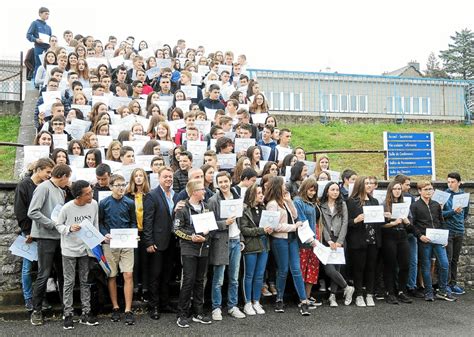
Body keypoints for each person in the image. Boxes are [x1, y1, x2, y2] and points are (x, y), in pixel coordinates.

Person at [28, 164, 72, 326]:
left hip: (60, 237)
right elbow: (32, 211)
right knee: (43, 274)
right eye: (68, 178)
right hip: (46, 237)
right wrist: (53, 224)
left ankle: (66, 309)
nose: (69, 181)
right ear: (62, 176)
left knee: (63, 274)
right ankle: (36, 311)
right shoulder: (43, 188)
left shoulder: (61, 190)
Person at [56, 180, 99, 330]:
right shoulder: (67, 208)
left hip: (85, 249)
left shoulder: (94, 204)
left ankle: (86, 312)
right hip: (69, 249)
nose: (91, 195)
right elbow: (58, 225)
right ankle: (68, 314)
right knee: (69, 282)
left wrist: (96, 243)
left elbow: (95, 225)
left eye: (91, 192)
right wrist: (69, 228)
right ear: (79, 196)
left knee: (85, 281)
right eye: (87, 193)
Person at [14, 158, 55, 312]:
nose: (50, 175)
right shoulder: (24, 185)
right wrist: (27, 232)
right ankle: (28, 298)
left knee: (42, 268)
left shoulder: (47, 186)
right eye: (47, 172)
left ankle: (40, 297)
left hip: (44, 233)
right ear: (38, 170)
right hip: (30, 234)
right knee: (27, 267)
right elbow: (20, 211)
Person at [265, 176, 310, 316]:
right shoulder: (272, 204)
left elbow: (295, 214)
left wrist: (289, 201)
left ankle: (304, 300)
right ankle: (279, 299)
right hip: (280, 240)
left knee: (296, 269)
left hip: (291, 239)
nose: (286, 187)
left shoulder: (284, 201)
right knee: (283, 270)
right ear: (278, 186)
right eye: (283, 185)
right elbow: (275, 226)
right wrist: (293, 227)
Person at [99, 174, 138, 325]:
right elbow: (100, 223)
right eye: (118, 185)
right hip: (110, 243)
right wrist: (104, 234)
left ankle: (128, 309)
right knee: (112, 275)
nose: (121, 188)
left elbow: (133, 222)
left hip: (126, 242)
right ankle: (115, 307)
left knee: (128, 274)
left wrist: (133, 234)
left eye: (123, 185)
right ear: (110, 187)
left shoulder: (129, 202)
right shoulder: (103, 203)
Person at [173, 180, 212, 328]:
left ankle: (198, 312)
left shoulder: (206, 207)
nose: (205, 191)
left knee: (200, 281)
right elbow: (176, 229)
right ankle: (182, 314)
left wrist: (206, 236)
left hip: (204, 248)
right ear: (194, 192)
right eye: (202, 189)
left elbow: (210, 226)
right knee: (188, 280)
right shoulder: (182, 208)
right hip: (188, 249)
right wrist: (191, 237)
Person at [208, 172, 246, 320]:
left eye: (226, 181)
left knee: (234, 278)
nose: (224, 184)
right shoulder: (213, 201)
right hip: (220, 242)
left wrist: (241, 238)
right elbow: (209, 223)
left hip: (236, 240)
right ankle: (216, 307)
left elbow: (240, 222)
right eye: (220, 182)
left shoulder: (237, 198)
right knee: (218, 279)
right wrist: (225, 223)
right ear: (217, 184)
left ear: (230, 181)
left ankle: (232, 306)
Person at [143, 166, 179, 319]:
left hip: (172, 240)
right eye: (165, 177)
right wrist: (149, 242)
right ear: (159, 178)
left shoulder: (175, 195)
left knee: (167, 274)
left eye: (170, 177)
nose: (168, 179)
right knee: (155, 275)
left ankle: (165, 304)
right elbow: (148, 220)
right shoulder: (152, 195)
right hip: (157, 242)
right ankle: (154, 307)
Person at [410, 180, 456, 302]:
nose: (429, 191)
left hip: (438, 239)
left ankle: (442, 291)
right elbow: (412, 225)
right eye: (426, 189)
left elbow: (442, 222)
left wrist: (445, 237)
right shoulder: (415, 206)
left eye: (430, 189)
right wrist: (420, 236)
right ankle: (428, 292)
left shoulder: (436, 204)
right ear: (419, 191)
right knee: (426, 266)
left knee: (444, 264)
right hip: (425, 240)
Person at [346, 176, 383, 307]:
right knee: (358, 269)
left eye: (370, 183)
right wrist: (356, 220)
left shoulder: (374, 201)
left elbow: (378, 222)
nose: (369, 185)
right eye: (366, 183)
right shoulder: (352, 201)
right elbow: (347, 222)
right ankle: (359, 295)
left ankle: (370, 294)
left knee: (371, 269)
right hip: (358, 240)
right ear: (360, 185)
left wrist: (384, 217)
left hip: (373, 240)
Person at [319, 182, 354, 307]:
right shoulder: (321, 205)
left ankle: (332, 296)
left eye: (337, 190)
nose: (335, 192)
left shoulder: (342, 204)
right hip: (327, 240)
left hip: (340, 239)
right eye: (332, 189)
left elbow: (345, 223)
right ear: (327, 191)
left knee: (337, 268)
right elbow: (321, 225)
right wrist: (329, 240)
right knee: (329, 269)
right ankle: (347, 288)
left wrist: (339, 241)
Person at [241, 183, 273, 315]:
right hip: (251, 246)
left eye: (262, 193)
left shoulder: (264, 208)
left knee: (259, 275)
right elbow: (244, 229)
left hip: (264, 245)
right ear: (252, 194)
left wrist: (270, 228)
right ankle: (247, 303)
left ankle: (256, 301)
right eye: (259, 193)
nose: (262, 195)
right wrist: (261, 230)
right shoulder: (245, 209)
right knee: (249, 275)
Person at [381, 181, 413, 305]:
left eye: (399, 188)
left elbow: (410, 224)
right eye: (395, 189)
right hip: (389, 236)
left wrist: (406, 221)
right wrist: (391, 221)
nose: (397, 191)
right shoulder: (384, 205)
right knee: (390, 265)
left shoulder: (404, 204)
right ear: (390, 190)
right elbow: (380, 225)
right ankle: (390, 292)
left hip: (402, 235)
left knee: (405, 264)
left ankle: (401, 291)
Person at [293, 178, 321, 308]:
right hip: (304, 241)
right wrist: (311, 239)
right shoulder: (298, 201)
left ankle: (308, 297)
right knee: (302, 270)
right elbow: (302, 221)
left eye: (315, 190)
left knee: (312, 270)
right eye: (311, 190)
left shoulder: (313, 203)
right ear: (305, 188)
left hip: (315, 240)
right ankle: (301, 298)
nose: (313, 193)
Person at [125, 168, 151, 304]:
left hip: (145, 232)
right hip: (132, 233)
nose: (139, 178)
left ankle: (145, 289)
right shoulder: (128, 195)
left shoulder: (149, 195)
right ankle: (134, 290)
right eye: (136, 176)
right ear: (132, 179)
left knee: (145, 262)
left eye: (141, 176)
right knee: (134, 262)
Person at [443, 172, 469, 295]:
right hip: (448, 231)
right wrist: (453, 212)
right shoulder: (444, 195)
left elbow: (465, 213)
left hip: (459, 230)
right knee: (447, 259)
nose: (450, 184)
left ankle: (453, 283)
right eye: (448, 182)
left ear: (459, 182)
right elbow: (439, 215)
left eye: (453, 182)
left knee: (455, 259)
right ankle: (446, 284)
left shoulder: (464, 195)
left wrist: (459, 218)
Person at [26, 7, 52, 85]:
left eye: (48, 14)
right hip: (39, 47)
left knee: (48, 65)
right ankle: (36, 83)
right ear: (40, 14)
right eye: (46, 14)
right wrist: (35, 39)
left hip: (47, 48)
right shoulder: (35, 23)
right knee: (39, 64)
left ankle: (46, 82)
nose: (47, 15)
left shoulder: (49, 27)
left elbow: (51, 38)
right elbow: (28, 35)